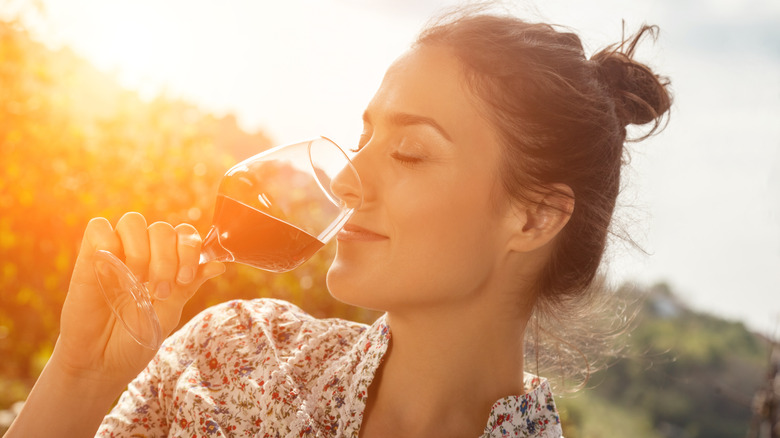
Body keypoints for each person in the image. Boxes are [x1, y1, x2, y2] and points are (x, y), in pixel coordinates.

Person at [5, 9, 672, 438]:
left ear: (535, 216)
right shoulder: (232, 356)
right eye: (364, 137)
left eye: (409, 151)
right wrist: (83, 376)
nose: (348, 180)